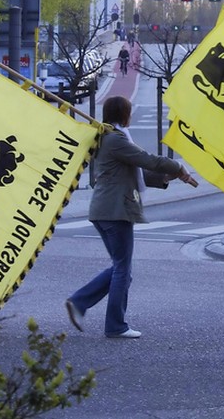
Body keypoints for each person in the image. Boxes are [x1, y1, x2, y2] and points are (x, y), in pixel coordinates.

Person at [65, 95, 197, 338]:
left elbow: (135, 173)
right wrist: (178, 167)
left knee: (120, 267)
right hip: (115, 210)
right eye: (129, 111)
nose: (131, 115)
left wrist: (168, 177)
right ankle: (113, 324)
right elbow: (148, 160)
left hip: (105, 210)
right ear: (124, 114)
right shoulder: (115, 139)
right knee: (122, 269)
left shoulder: (109, 139)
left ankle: (80, 303)